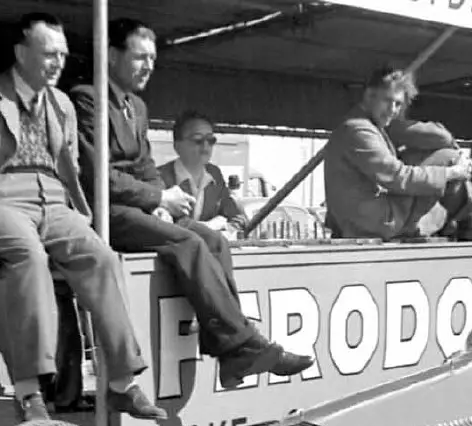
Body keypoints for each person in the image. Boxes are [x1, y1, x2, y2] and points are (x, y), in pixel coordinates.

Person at [0, 13, 173, 423]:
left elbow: (69, 166)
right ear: (20, 52)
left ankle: (122, 383)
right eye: (49, 53)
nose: (58, 62)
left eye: (62, 54)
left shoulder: (62, 103)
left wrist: (78, 212)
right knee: (29, 257)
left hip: (55, 202)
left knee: (101, 257)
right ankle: (29, 391)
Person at [70, 19, 311, 391]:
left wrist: (159, 202)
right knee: (190, 242)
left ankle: (232, 356)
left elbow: (145, 166)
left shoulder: (137, 106)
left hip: (139, 209)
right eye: (140, 57)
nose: (148, 66)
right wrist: (158, 197)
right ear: (112, 56)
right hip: (107, 213)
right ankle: (243, 346)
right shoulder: (87, 98)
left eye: (153, 59)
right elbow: (97, 175)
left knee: (216, 241)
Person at [323, 66, 472, 242]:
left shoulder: (359, 125)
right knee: (448, 158)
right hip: (370, 222)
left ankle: (461, 222)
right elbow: (397, 176)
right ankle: (468, 224)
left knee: (420, 162)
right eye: (387, 101)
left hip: (359, 218)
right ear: (370, 95)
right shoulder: (359, 130)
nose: (392, 110)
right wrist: (452, 172)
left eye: (398, 104)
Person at [158, 110, 247, 235]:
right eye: (198, 140)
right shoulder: (159, 177)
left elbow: (238, 219)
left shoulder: (215, 174)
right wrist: (210, 226)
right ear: (177, 146)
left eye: (210, 140)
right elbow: (157, 224)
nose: (205, 147)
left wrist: (227, 229)